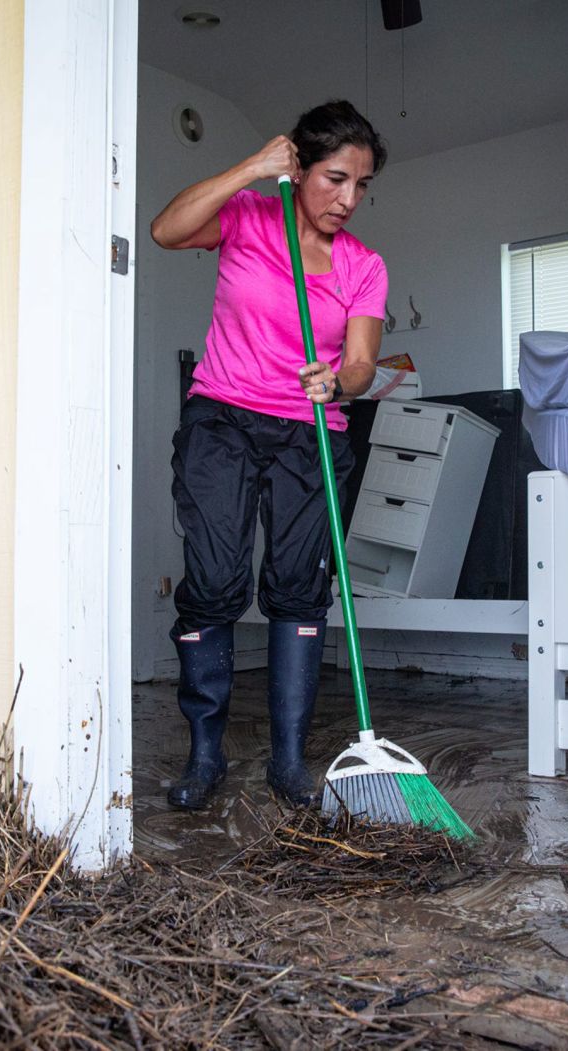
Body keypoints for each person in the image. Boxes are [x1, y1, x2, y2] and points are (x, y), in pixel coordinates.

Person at [149, 100, 388, 810]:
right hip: (222, 418)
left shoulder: (362, 265)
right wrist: (252, 168)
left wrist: (336, 380)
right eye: (335, 178)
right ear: (299, 168)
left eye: (362, 185)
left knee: (296, 589)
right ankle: (204, 754)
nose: (348, 198)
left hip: (307, 433)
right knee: (215, 579)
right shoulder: (252, 217)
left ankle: (287, 760)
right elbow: (165, 230)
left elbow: (363, 364)